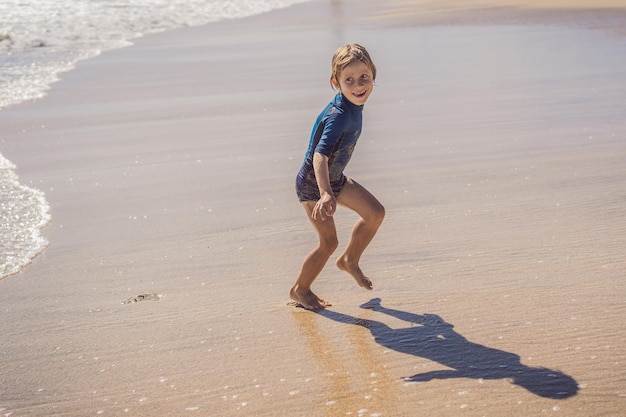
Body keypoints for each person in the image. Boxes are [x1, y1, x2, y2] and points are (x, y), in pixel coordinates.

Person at [290, 44, 385, 311]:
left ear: (373, 75)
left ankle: (350, 261)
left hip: (334, 178)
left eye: (364, 77)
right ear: (336, 82)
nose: (358, 85)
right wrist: (325, 193)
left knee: (375, 213)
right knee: (329, 242)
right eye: (349, 80)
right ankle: (300, 289)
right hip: (314, 184)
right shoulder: (339, 116)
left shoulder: (352, 105)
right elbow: (320, 157)